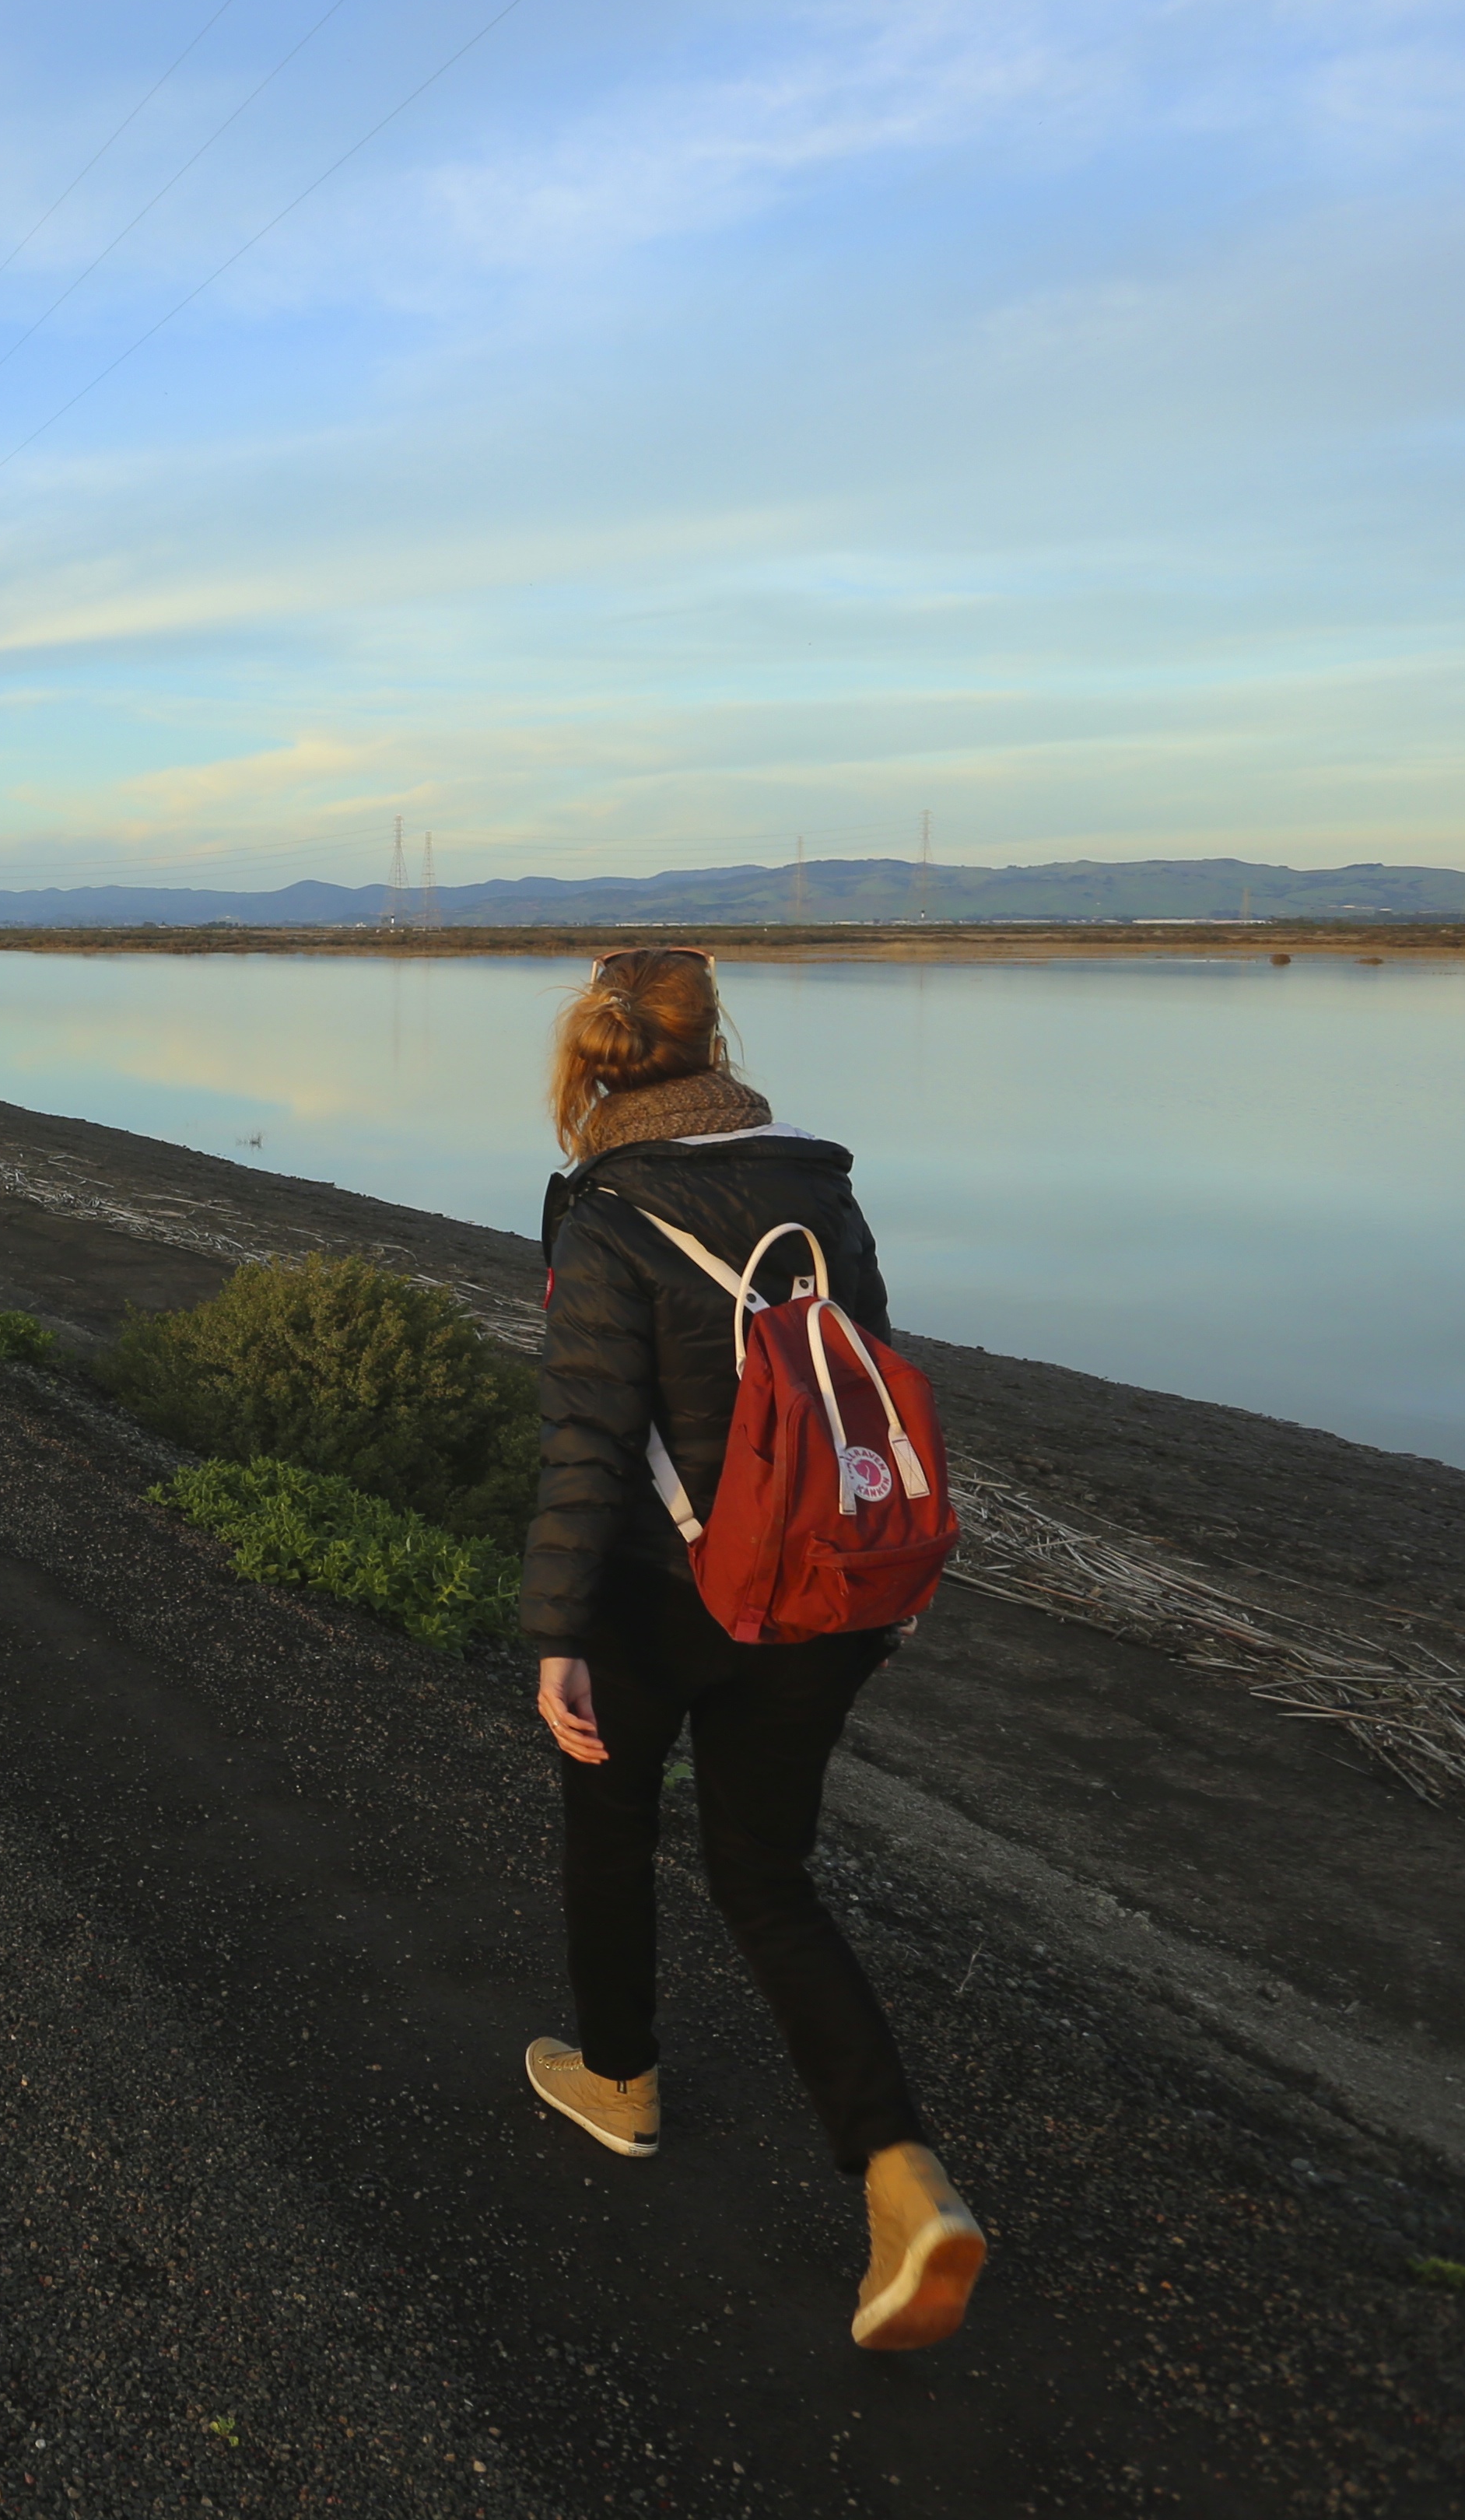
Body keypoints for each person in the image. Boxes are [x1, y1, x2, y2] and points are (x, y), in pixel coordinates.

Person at [517, 946, 989, 2352]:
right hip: (822, 1589)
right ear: (715, 1040)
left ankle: (620, 2083)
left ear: (596, 1058)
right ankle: (902, 2174)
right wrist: (889, 1593)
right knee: (767, 1877)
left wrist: (556, 1629)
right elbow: (873, 1390)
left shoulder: (606, 1211)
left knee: (611, 1826)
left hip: (661, 1590)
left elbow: (589, 1438)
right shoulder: (821, 1190)